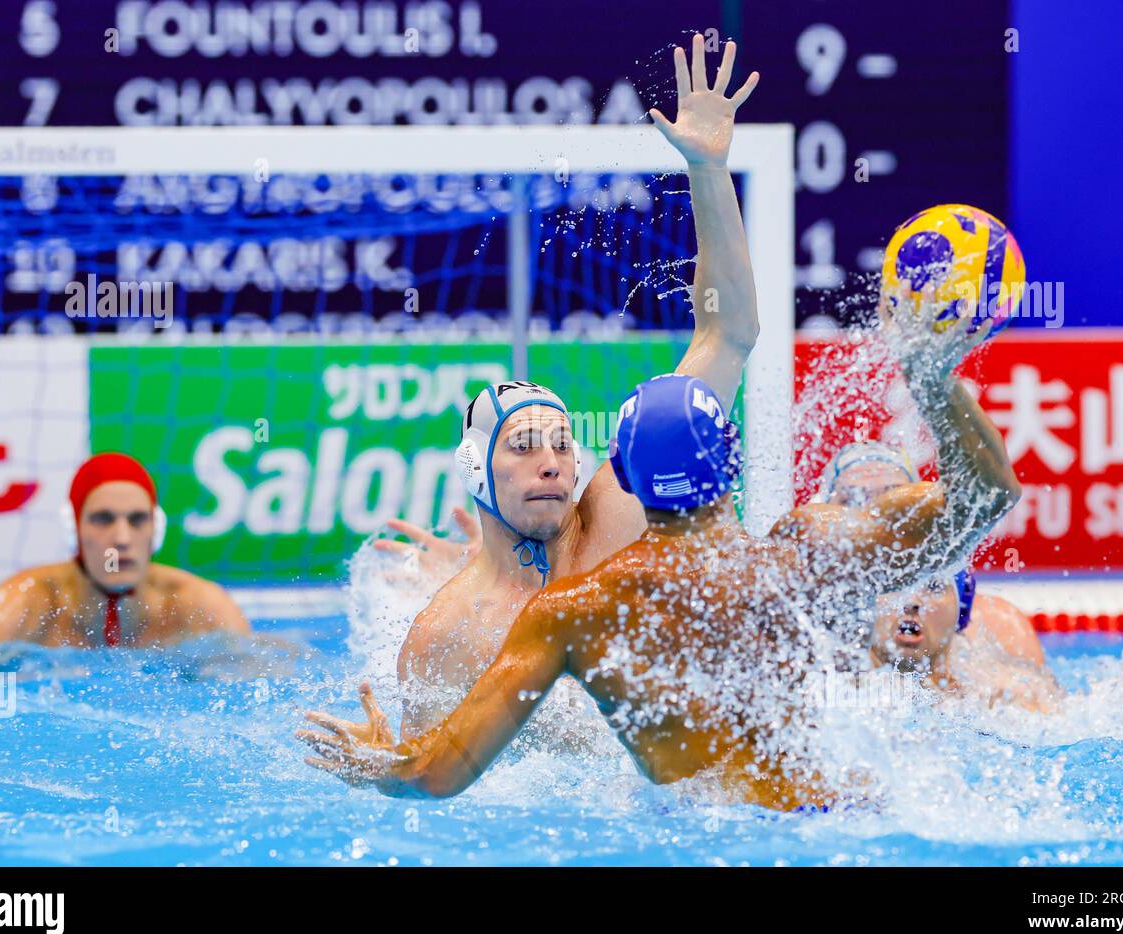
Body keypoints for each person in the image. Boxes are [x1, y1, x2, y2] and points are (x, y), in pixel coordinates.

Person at [298, 320, 1022, 808]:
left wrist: (378, 761)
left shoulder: (574, 614)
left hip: (703, 838)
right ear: (730, 470)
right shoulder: (808, 553)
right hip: (850, 821)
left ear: (629, 482)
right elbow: (986, 496)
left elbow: (436, 773)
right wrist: (932, 377)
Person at [393, 34, 763, 738]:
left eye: (561, 444)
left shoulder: (621, 515)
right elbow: (423, 775)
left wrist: (708, 171)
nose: (551, 461)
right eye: (525, 445)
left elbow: (729, 335)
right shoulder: (443, 637)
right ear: (475, 469)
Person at [816, 441, 1062, 711]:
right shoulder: (811, 631)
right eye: (851, 500)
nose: (873, 512)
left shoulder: (998, 626)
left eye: (891, 497)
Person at [0, 452, 250, 648]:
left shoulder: (201, 607)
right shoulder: (19, 607)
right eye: (103, 519)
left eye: (138, 519)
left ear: (157, 528)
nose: (122, 538)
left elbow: (257, 683)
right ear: (73, 528)